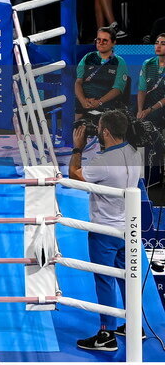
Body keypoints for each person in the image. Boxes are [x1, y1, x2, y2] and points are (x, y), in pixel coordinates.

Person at [69, 109, 144, 352]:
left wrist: (77, 148)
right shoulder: (135, 153)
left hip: (104, 231)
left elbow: (74, 176)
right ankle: (134, 325)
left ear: (106, 132)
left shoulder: (101, 163)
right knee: (127, 278)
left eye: (99, 128)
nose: (97, 131)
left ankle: (106, 335)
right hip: (128, 230)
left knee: (104, 279)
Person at [74, 27, 129, 118]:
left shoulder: (119, 62)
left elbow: (118, 89)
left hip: (106, 106)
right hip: (84, 103)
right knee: (78, 127)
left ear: (113, 43)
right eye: (98, 39)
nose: (100, 43)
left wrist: (99, 102)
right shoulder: (87, 57)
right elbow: (78, 82)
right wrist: (83, 100)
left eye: (105, 40)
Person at [137, 33, 165, 127]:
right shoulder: (148, 63)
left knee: (151, 118)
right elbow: (142, 89)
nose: (158, 46)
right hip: (148, 102)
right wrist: (140, 110)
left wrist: (150, 110)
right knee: (129, 115)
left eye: (163, 43)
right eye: (157, 43)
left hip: (161, 105)